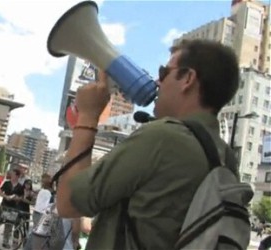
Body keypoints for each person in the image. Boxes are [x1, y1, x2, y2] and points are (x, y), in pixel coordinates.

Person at [56, 39, 241, 249]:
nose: (157, 82)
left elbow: (68, 203)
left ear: (188, 78)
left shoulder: (163, 137)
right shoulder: (227, 158)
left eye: (164, 73)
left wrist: (88, 116)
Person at [0, 169, 24, 248]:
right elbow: (0, 192)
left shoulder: (20, 186)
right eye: (12, 174)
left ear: (17, 176)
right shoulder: (7, 183)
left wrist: (16, 198)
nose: (12, 176)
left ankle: (5, 241)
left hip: (13, 207)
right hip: (4, 205)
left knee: (9, 225)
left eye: (14, 174)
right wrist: (6, 196)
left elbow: (21, 197)